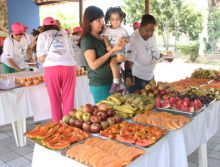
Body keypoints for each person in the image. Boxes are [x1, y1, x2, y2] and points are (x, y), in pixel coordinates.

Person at [80, 6, 125, 103]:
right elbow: (93, 65)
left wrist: (119, 56)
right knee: (105, 114)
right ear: (90, 22)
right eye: (98, 20)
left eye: (102, 19)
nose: (102, 23)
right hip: (100, 85)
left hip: (112, 82)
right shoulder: (87, 39)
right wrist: (112, 51)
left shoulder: (103, 37)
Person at [36, 17, 77, 122]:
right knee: (69, 98)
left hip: (52, 69)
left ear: (44, 26)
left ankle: (57, 125)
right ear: (55, 25)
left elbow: (41, 57)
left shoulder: (42, 35)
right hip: (69, 67)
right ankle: (69, 126)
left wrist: (52, 61)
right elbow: (72, 52)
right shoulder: (64, 34)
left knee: (54, 98)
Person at [124, 14, 165, 93]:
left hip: (150, 77)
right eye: (146, 30)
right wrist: (128, 76)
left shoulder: (152, 36)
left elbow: (152, 51)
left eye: (152, 31)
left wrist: (163, 56)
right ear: (140, 27)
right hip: (138, 80)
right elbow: (129, 60)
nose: (150, 34)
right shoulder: (133, 40)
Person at [103, 6, 129, 93]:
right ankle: (122, 85)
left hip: (119, 52)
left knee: (113, 63)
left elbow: (128, 39)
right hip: (111, 52)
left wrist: (124, 41)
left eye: (118, 19)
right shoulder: (107, 30)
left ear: (121, 19)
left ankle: (115, 83)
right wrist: (107, 45)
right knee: (116, 68)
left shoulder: (123, 30)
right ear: (109, 19)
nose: (115, 21)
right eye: (112, 19)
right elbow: (105, 37)